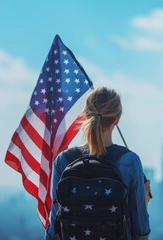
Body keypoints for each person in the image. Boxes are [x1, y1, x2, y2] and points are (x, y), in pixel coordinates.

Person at [45, 86, 151, 240]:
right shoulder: (129, 162)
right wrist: (144, 202)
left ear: (85, 116)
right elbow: (140, 232)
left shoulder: (64, 160)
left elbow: (54, 227)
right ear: (117, 119)